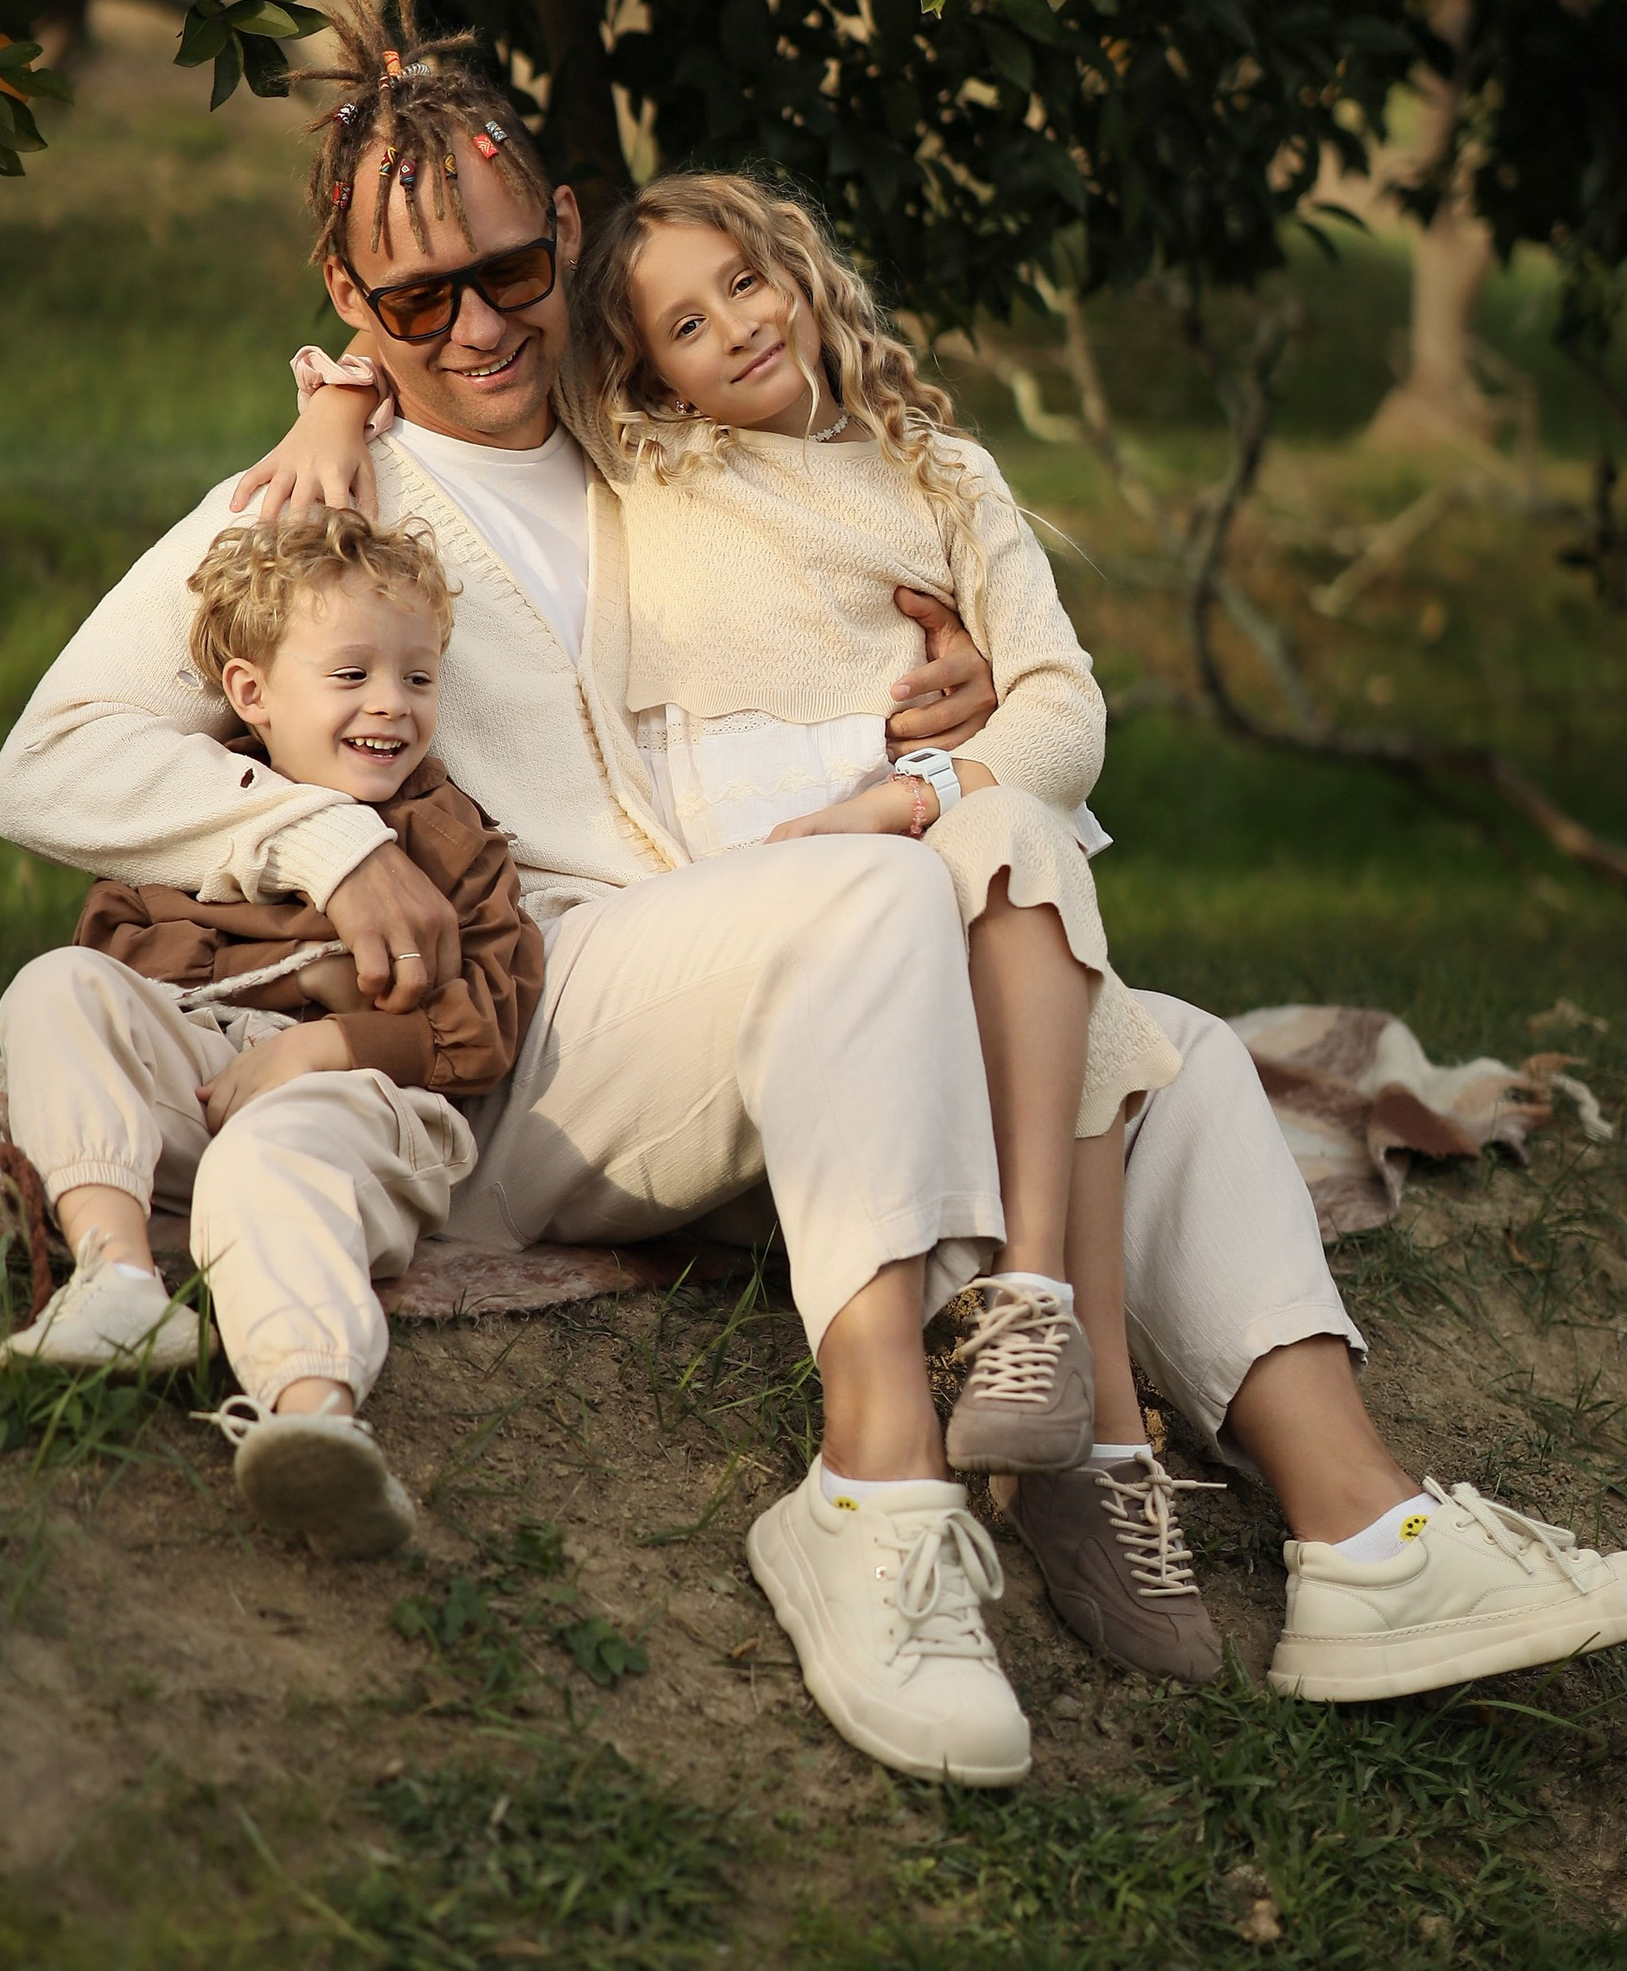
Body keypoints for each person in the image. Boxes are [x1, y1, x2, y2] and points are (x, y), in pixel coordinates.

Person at [0, 0, 1627, 1782]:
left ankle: (1369, 1541)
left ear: (568, 232)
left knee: (1166, 1052)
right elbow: (49, 761)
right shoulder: (311, 506)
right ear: (348, 306)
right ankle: (874, 1497)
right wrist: (325, 837)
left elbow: (855, 544)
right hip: (527, 1043)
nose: (479, 329)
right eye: (413, 305)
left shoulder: (659, 426)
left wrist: (938, 697)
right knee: (882, 900)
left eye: (507, 273)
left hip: (781, 1009)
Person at [286, 165, 1189, 1651]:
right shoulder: (651, 449)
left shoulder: (947, 472)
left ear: (801, 267)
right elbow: (458, 358)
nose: (734, 332)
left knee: (1103, 968)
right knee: (1009, 938)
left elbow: (1060, 702)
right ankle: (1047, 1432)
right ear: (648, 368)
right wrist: (333, 404)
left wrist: (938, 783)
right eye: (687, 325)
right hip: (768, 884)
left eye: (745, 286)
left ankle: (1094, 1382)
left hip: (928, 819)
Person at [0, 508, 542, 1564]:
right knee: (56, 984)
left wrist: (327, 1042)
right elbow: (119, 959)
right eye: (351, 677)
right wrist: (269, 975)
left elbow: (480, 1025)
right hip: (204, 1075)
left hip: (363, 1110)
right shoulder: (206, 811)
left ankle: (312, 1413)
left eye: (417, 679)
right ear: (251, 694)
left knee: (271, 1148)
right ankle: (115, 1282)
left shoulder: (453, 841)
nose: (391, 704)